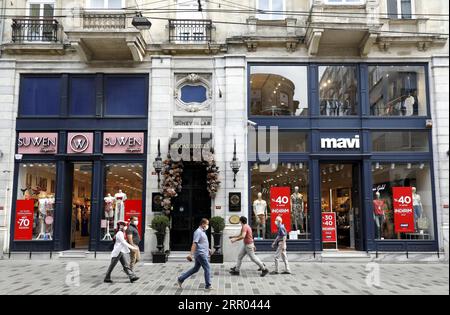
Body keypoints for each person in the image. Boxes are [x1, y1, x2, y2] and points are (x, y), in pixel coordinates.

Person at [176, 218, 213, 290]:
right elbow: (195, 243)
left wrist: (208, 249)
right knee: (207, 268)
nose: (208, 225)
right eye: (207, 224)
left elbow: (202, 242)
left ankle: (180, 279)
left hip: (202, 252)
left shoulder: (203, 231)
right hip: (200, 254)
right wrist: (190, 254)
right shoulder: (198, 232)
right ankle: (208, 285)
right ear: (203, 224)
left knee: (195, 269)